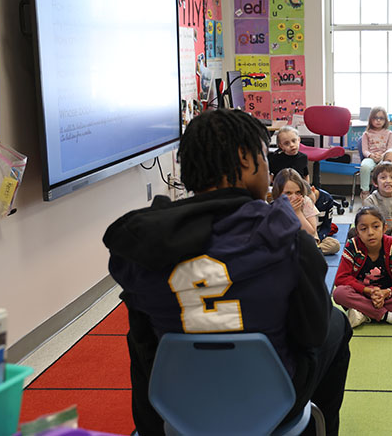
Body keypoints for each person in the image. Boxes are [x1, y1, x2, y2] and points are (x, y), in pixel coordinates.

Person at [104, 109, 352, 436]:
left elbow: (145, 341)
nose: (267, 168)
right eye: (264, 158)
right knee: (335, 322)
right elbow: (312, 332)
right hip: (273, 401)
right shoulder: (283, 236)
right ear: (245, 160)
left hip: (178, 401)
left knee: (140, 335)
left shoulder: (142, 244)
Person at [333, 206, 392, 328]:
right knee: (339, 293)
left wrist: (386, 292)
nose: (370, 232)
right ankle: (389, 316)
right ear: (357, 232)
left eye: (376, 227)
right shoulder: (353, 245)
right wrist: (368, 291)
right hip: (362, 294)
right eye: (364, 229)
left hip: (388, 295)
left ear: (384, 228)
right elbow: (341, 278)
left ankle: (364, 313)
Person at [272, 168, 340, 256]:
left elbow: (311, 232)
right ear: (278, 193)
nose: (294, 197)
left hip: (306, 245)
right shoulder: (275, 206)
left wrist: (297, 212)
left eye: (298, 192)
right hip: (285, 247)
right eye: (288, 193)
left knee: (334, 245)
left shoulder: (305, 202)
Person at [359, 106, 392, 201]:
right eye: (375, 118)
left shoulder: (389, 133)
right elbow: (365, 150)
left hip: (385, 158)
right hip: (371, 157)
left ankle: (387, 191)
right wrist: (371, 155)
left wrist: (382, 156)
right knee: (364, 167)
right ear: (371, 119)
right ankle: (365, 192)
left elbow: (390, 149)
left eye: (381, 118)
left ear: (385, 120)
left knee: (391, 167)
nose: (378, 120)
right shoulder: (366, 134)